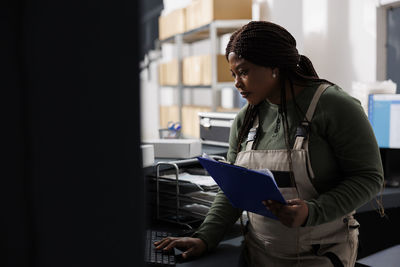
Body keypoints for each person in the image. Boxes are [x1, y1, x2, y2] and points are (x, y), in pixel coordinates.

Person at [154, 21, 384, 267]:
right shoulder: (247, 118)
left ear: (274, 67)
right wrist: (204, 237)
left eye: (244, 72)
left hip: (319, 255)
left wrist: (311, 211)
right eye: (233, 74)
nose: (237, 83)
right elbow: (233, 191)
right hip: (259, 254)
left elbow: (369, 177)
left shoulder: (334, 106)